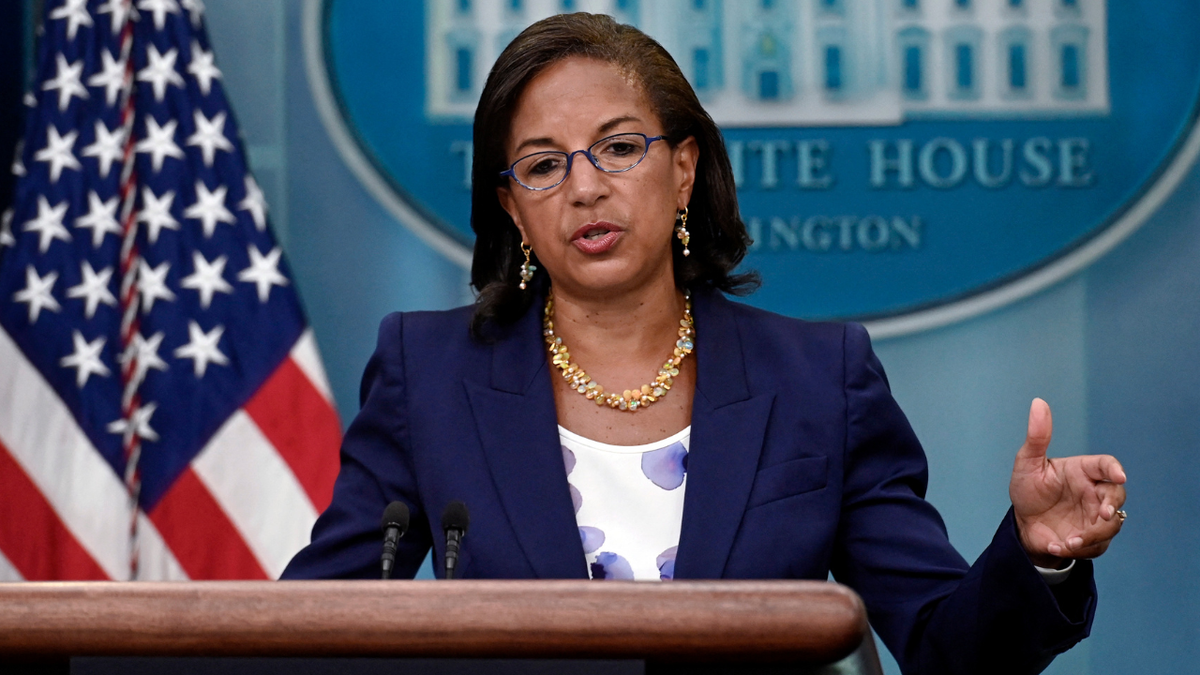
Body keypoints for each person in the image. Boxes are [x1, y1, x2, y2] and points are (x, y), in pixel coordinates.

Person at [282, 13, 1127, 675]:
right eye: (542, 165)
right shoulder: (429, 375)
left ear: (683, 169)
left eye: (619, 148)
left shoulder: (818, 380)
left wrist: (1038, 555)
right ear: (512, 207)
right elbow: (309, 630)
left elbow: (949, 649)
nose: (584, 187)